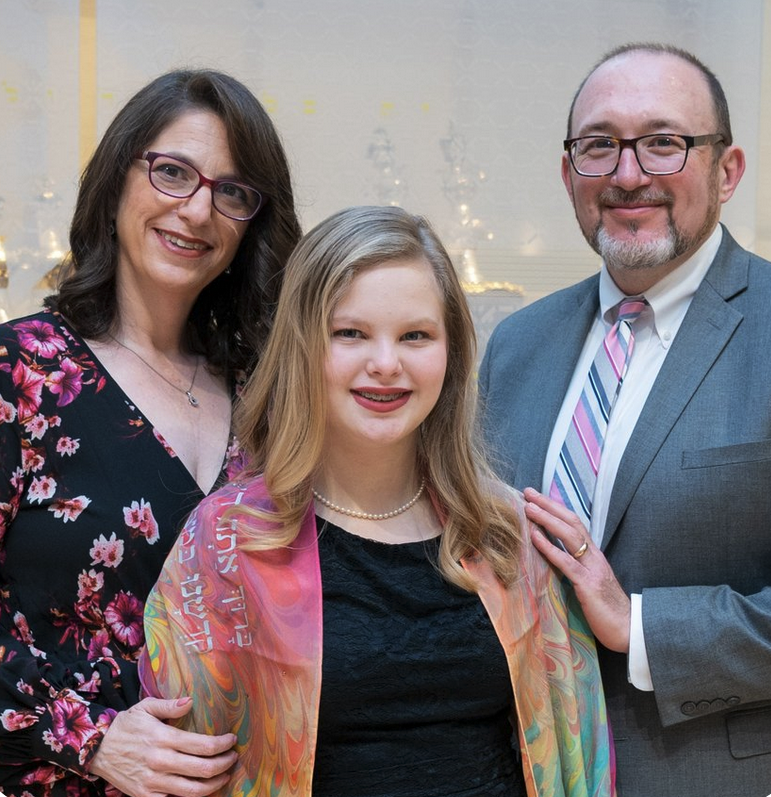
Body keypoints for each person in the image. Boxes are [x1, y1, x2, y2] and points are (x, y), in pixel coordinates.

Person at [139, 205, 616, 797]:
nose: (386, 365)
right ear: (302, 349)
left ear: (451, 354)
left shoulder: (507, 537)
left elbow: (579, 758)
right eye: (350, 334)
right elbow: (184, 767)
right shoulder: (227, 543)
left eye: (416, 335)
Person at [479, 42, 771, 795]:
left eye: (664, 142)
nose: (627, 173)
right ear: (570, 171)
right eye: (599, 145)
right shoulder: (516, 344)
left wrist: (636, 625)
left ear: (726, 169)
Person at [0, 68, 301, 797]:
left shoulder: (268, 400)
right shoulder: (22, 370)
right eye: (172, 172)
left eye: (231, 192)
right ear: (117, 181)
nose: (197, 210)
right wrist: (92, 735)